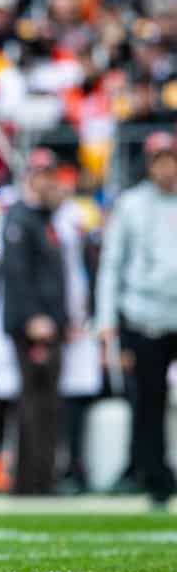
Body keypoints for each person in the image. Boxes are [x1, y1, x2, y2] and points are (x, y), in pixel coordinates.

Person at [96, 131, 177, 508]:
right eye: (161, 159)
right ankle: (155, 479)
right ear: (150, 164)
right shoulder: (130, 205)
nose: (167, 166)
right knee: (148, 401)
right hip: (143, 317)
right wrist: (106, 318)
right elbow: (111, 265)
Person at [0, 147, 68, 495]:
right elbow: (17, 274)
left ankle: (43, 478)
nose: (48, 182)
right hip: (33, 327)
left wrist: (63, 317)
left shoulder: (45, 218)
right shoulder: (20, 218)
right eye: (43, 175)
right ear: (31, 177)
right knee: (34, 402)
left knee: (46, 403)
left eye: (51, 175)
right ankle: (31, 482)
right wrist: (33, 318)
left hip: (50, 324)